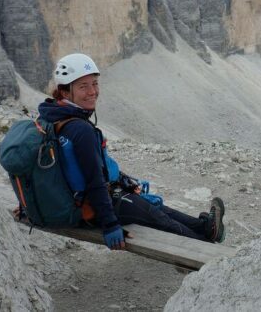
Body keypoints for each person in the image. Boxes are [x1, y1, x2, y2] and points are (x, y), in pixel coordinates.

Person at [38, 52, 225, 250]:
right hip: (87, 208)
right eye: (83, 86)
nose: (93, 91)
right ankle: (209, 251)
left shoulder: (50, 115)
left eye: (94, 83)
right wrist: (109, 225)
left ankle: (206, 228)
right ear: (65, 92)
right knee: (159, 219)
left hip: (69, 200)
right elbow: (94, 182)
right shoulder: (80, 130)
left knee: (152, 206)